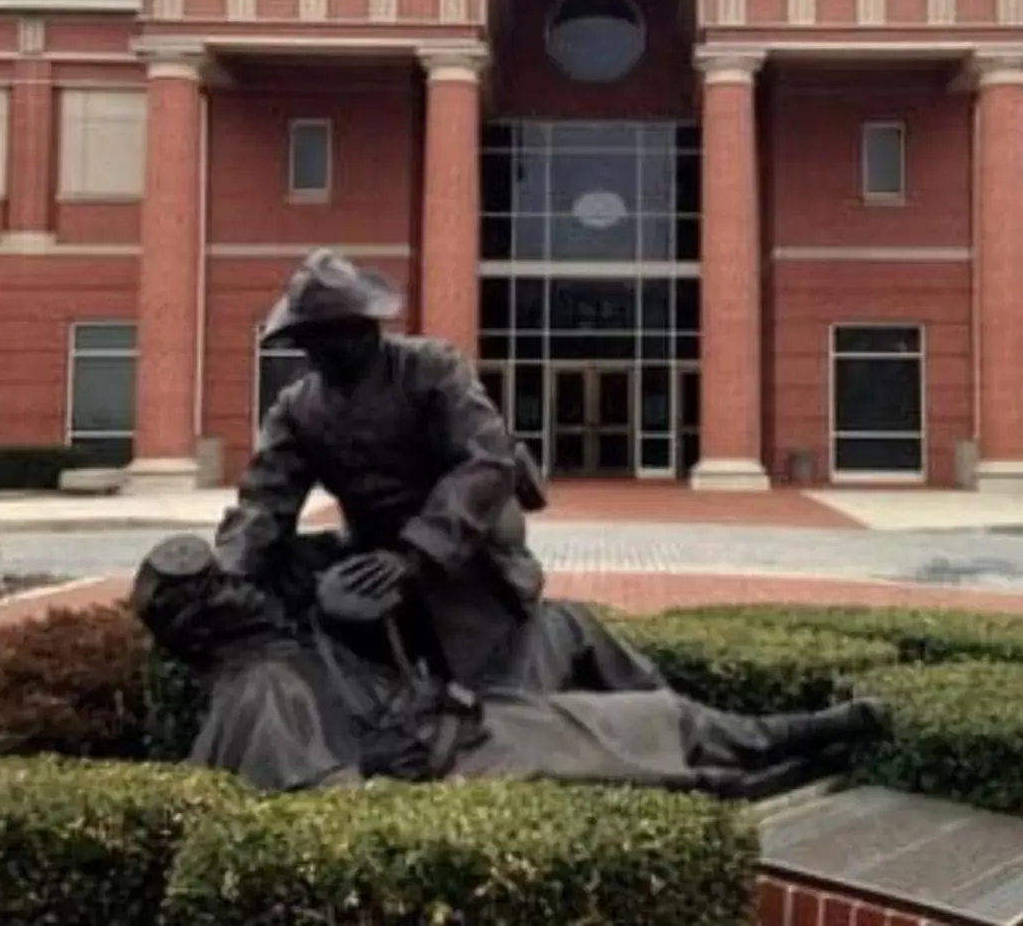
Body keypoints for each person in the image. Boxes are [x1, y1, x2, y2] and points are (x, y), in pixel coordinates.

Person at [134, 532, 891, 799]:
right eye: (230, 590)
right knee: (639, 720)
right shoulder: (263, 686)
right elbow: (334, 799)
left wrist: (344, 614)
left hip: (462, 723)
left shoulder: (281, 646)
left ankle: (758, 742)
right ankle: (773, 742)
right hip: (459, 753)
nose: (249, 588)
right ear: (209, 622)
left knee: (604, 684)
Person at [215, 247, 656, 693]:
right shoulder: (299, 407)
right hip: (372, 552)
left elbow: (486, 459)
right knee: (291, 583)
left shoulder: (431, 369)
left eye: (322, 337)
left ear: (363, 330)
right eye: (305, 339)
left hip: (461, 548)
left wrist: (415, 552)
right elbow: (264, 502)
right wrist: (227, 574)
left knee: (496, 681)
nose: (312, 352)